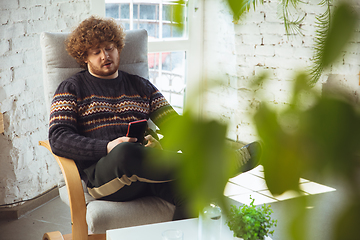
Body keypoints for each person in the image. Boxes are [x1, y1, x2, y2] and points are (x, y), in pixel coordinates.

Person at [48, 16, 261, 221]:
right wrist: (108, 147)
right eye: (96, 52)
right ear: (84, 57)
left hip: (148, 172)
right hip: (105, 176)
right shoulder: (71, 88)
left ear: (118, 48)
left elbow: (177, 128)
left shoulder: (142, 87)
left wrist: (162, 146)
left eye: (109, 48)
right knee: (125, 151)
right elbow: (58, 138)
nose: (105, 56)